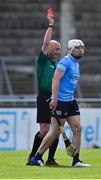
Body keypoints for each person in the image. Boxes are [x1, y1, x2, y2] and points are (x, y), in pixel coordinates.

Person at [31, 39, 91, 167]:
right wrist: (54, 98)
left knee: (77, 128)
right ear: (70, 49)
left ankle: (76, 160)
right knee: (55, 131)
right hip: (61, 101)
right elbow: (55, 79)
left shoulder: (76, 64)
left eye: (82, 47)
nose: (80, 50)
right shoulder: (65, 62)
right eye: (77, 48)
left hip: (71, 100)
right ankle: (36, 157)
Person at [26, 11, 61, 166]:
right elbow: (46, 43)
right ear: (49, 49)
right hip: (44, 97)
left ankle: (50, 159)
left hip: (55, 98)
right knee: (45, 130)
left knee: (56, 129)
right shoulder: (43, 61)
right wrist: (51, 24)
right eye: (56, 49)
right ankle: (32, 157)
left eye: (59, 49)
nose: (58, 51)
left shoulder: (56, 65)